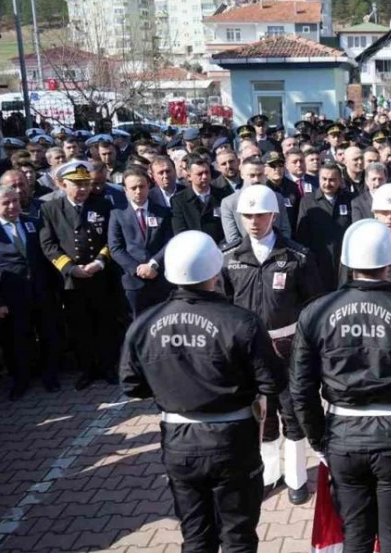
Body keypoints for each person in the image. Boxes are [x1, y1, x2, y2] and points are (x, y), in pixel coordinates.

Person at [290, 219, 391, 553]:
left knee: (357, 536)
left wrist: (318, 438)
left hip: (344, 435)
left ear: (347, 262)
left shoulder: (316, 312)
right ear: (390, 263)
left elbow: (302, 388)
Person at [120, 230, 286, 553]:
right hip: (233, 440)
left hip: (179, 440)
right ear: (215, 268)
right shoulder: (242, 322)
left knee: (196, 537)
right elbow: (273, 382)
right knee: (238, 537)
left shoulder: (144, 324)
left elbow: (131, 385)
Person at [219, 184, 324, 505]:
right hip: (249, 354)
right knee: (260, 416)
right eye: (248, 215)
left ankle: (295, 478)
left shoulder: (297, 256)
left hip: (288, 350)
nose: (253, 221)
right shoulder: (229, 258)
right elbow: (222, 307)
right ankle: (269, 474)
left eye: (260, 215)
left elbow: (314, 305)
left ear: (274, 216)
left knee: (294, 414)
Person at [0, 185, 62, 400]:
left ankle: (50, 376)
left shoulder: (34, 223)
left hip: (41, 292)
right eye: (6, 203)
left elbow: (47, 257)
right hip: (12, 299)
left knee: (48, 334)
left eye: (15, 200)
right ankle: (21, 380)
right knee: (17, 341)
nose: (13, 206)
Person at [39, 161, 120, 390]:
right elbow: (48, 244)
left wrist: (100, 261)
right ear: (63, 185)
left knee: (105, 324)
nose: (83, 189)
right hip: (71, 280)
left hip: (100, 275)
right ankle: (87, 369)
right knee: (79, 327)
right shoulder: (51, 209)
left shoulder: (103, 205)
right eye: (77, 184)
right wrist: (69, 268)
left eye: (86, 184)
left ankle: (107, 367)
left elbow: (111, 239)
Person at [108, 168, 174, 319]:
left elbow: (170, 241)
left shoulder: (163, 212)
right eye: (133, 188)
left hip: (160, 278)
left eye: (142, 186)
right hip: (133, 282)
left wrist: (153, 264)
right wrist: (137, 269)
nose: (138, 191)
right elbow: (115, 248)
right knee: (137, 325)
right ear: (125, 190)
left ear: (148, 186)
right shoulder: (117, 214)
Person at [294, 161, 353, 291]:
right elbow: (302, 234)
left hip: (343, 261)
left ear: (340, 180)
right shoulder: (308, 201)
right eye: (324, 179)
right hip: (318, 261)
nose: (327, 183)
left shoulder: (350, 199)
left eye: (332, 180)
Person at [172, 155, 232, 245]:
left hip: (222, 247)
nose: (204, 177)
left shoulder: (223, 195)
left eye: (207, 172)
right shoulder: (179, 201)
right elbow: (180, 233)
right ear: (189, 176)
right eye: (199, 174)